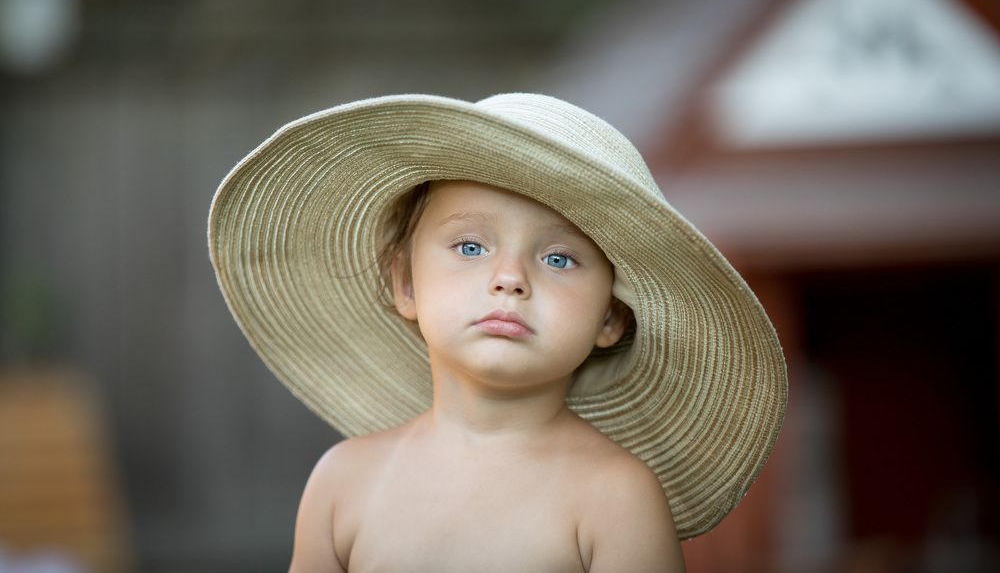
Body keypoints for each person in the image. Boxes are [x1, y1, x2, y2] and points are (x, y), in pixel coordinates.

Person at [207, 93, 788, 572]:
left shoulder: (615, 497)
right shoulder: (345, 481)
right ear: (405, 284)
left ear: (610, 317)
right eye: (470, 246)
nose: (509, 278)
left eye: (559, 259)